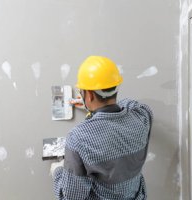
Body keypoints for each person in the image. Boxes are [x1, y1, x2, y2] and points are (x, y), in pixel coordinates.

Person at [50, 56, 153, 200]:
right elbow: (133, 104)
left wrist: (58, 171)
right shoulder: (141, 117)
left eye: (82, 91)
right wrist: (97, 106)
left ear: (90, 95)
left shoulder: (78, 138)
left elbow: (71, 197)